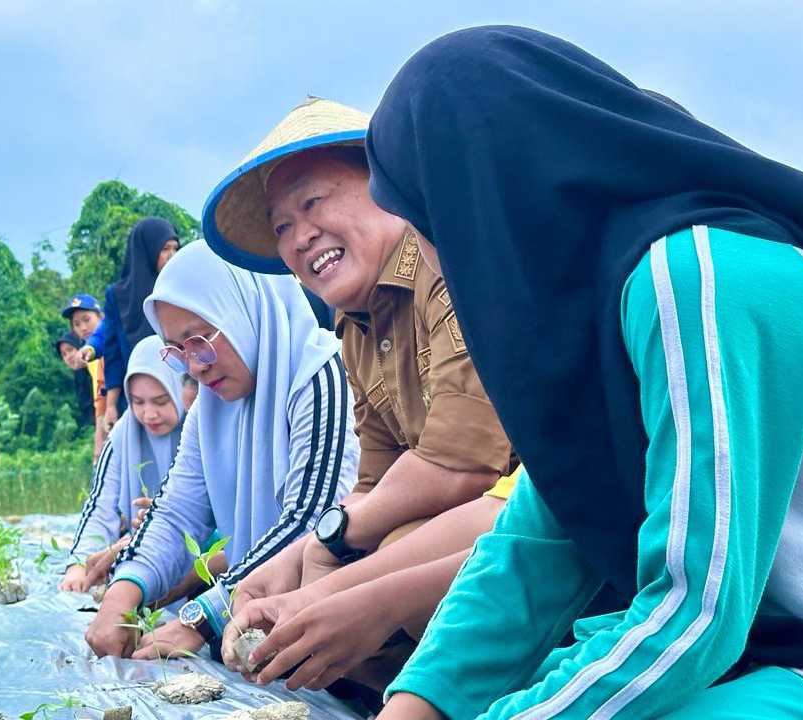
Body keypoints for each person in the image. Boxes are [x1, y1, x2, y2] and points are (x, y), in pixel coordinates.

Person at [363, 26, 803, 720]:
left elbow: (692, 611)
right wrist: (413, 708)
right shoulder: (596, 326)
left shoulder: (703, 279)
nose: (432, 259)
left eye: (420, 224)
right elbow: (537, 546)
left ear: (476, 199)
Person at [202, 96, 514, 695]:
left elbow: (463, 466)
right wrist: (303, 559)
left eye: (312, 202)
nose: (300, 238)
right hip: (465, 529)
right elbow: (374, 481)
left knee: (382, 557)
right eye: (282, 227)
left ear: (383, 186)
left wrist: (327, 546)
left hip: (526, 517)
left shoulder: (441, 262)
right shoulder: (355, 328)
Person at [84, 240, 358, 661]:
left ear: (244, 310)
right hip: (251, 623)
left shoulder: (318, 379)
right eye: (178, 350)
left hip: (335, 633)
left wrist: (204, 616)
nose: (195, 366)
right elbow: (178, 511)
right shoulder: (210, 408)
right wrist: (125, 589)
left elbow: (311, 523)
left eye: (199, 339)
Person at [60, 335, 188, 592]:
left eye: (161, 401)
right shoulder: (123, 435)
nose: (149, 414)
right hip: (141, 564)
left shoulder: (201, 431)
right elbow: (100, 506)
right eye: (138, 402)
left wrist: (165, 519)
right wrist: (78, 565)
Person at [80, 217, 182, 426]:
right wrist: (110, 406)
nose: (172, 256)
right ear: (148, 250)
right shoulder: (118, 295)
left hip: (179, 389)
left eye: (175, 249)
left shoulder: (179, 288)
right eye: (165, 249)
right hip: (139, 397)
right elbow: (113, 352)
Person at [63, 294, 109, 452]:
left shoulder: (106, 348)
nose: (83, 327)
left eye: (87, 319)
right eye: (77, 324)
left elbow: (102, 397)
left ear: (101, 316)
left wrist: (98, 443)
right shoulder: (91, 357)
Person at [53, 331, 97, 428]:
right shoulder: (78, 375)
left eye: (70, 350)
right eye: (64, 354)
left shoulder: (97, 367)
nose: (68, 357)